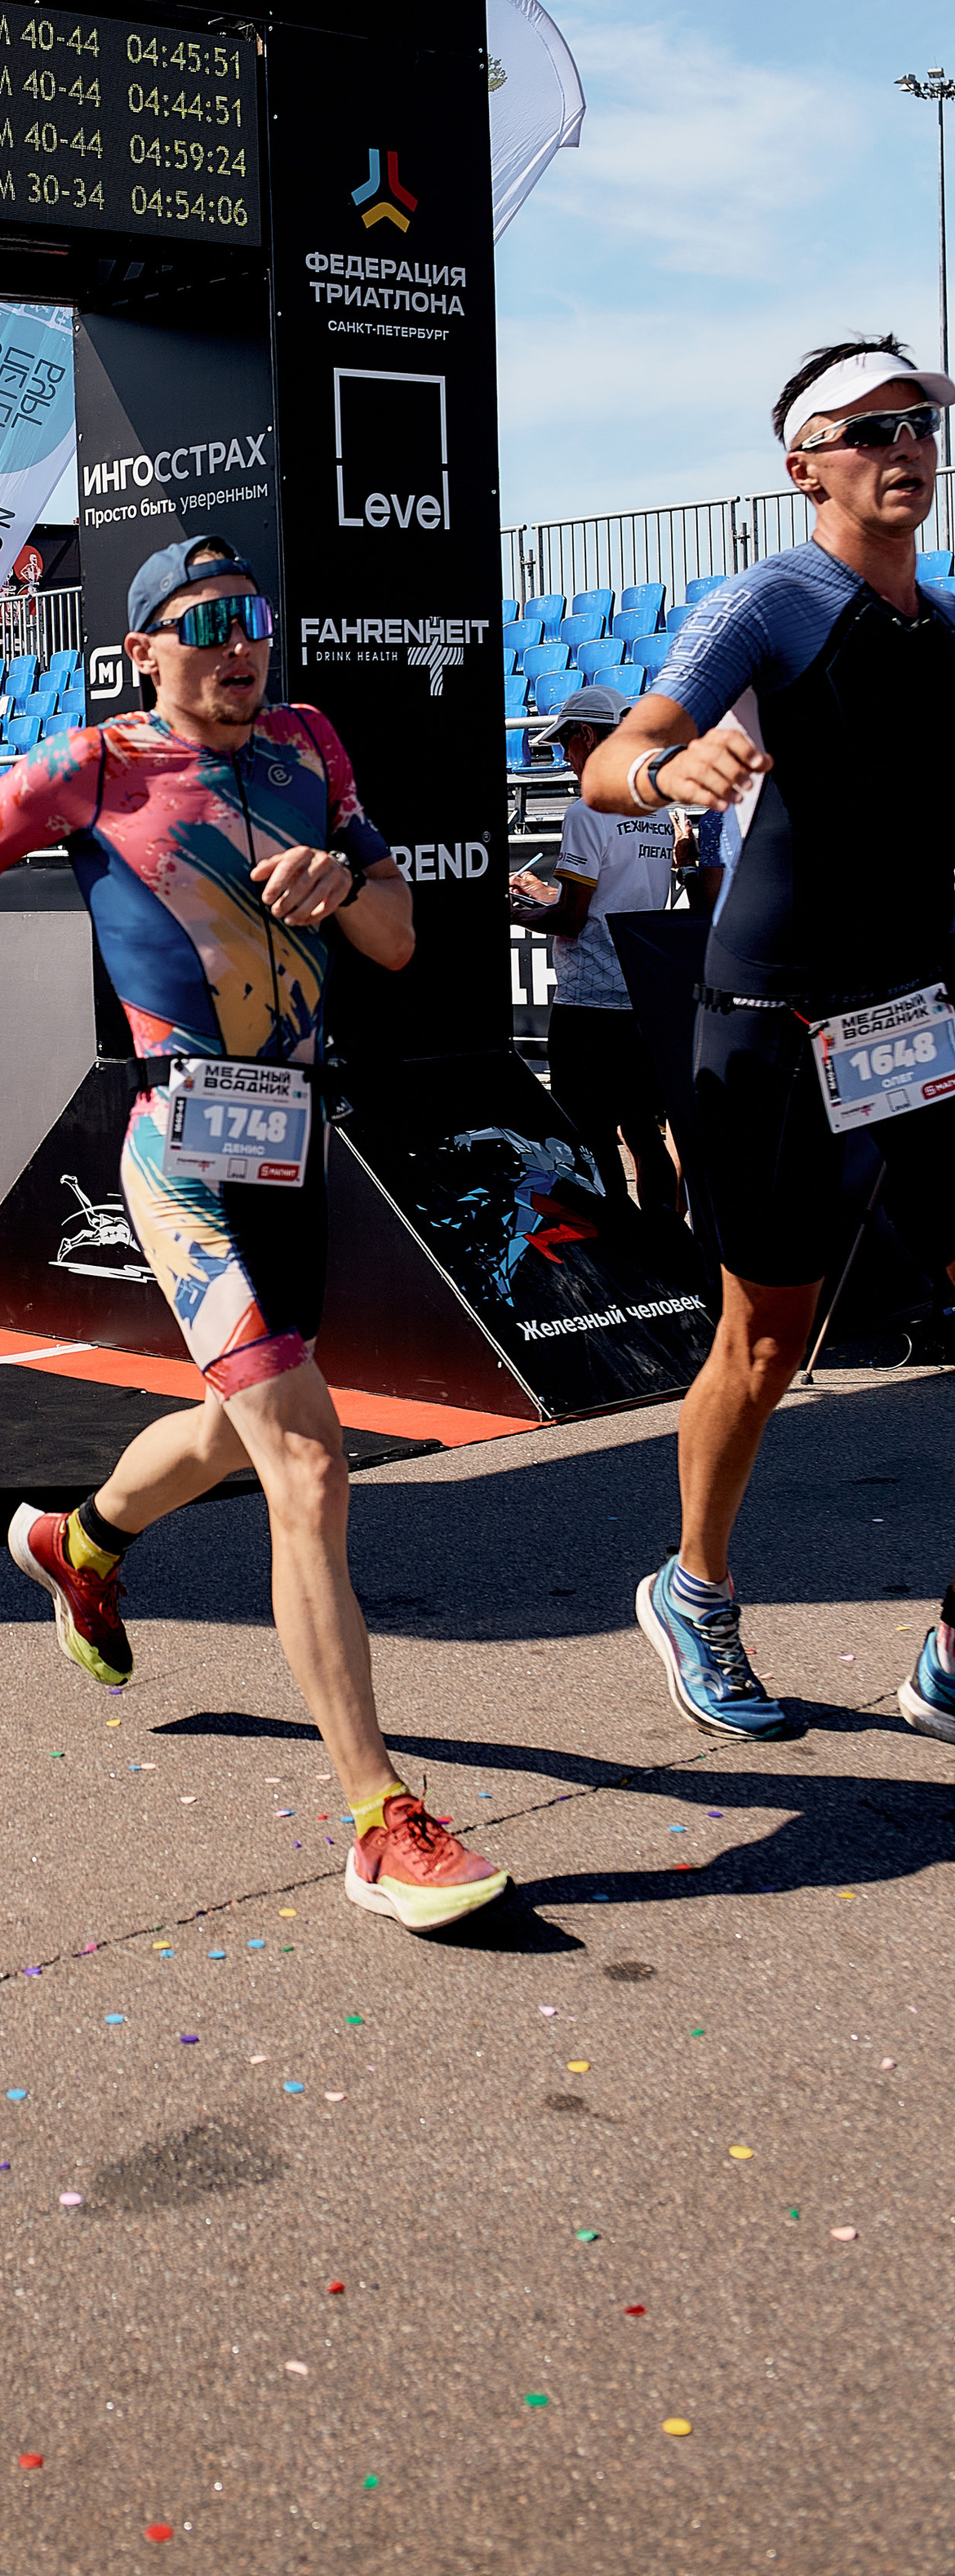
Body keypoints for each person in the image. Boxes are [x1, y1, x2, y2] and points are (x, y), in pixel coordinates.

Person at [0, 534, 510, 1934]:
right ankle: (379, 1821)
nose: (239, 642)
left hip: (291, 1143)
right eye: (206, 621)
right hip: (183, 1154)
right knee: (308, 1460)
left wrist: (345, 884)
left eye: (253, 616)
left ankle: (82, 1542)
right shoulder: (91, 766)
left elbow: (399, 938)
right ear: (143, 651)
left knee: (240, 1426)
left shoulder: (309, 746)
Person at [580, 335, 955, 1743]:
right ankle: (695, 1589)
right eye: (869, 430)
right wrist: (669, 767)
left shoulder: (947, 619)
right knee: (765, 1341)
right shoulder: (770, 600)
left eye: (917, 424)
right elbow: (616, 759)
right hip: (776, 1023)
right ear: (805, 468)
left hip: (917, 1017)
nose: (904, 448)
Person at [507, 681, 680, 1228]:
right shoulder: (656, 811)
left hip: (589, 1003)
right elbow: (611, 900)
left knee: (589, 1134)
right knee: (644, 1131)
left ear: (585, 734)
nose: (564, 755)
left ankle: (615, 1241)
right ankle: (665, 1238)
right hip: (640, 996)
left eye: (566, 742)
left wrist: (515, 914)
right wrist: (545, 896)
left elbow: (574, 919)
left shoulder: (587, 811)